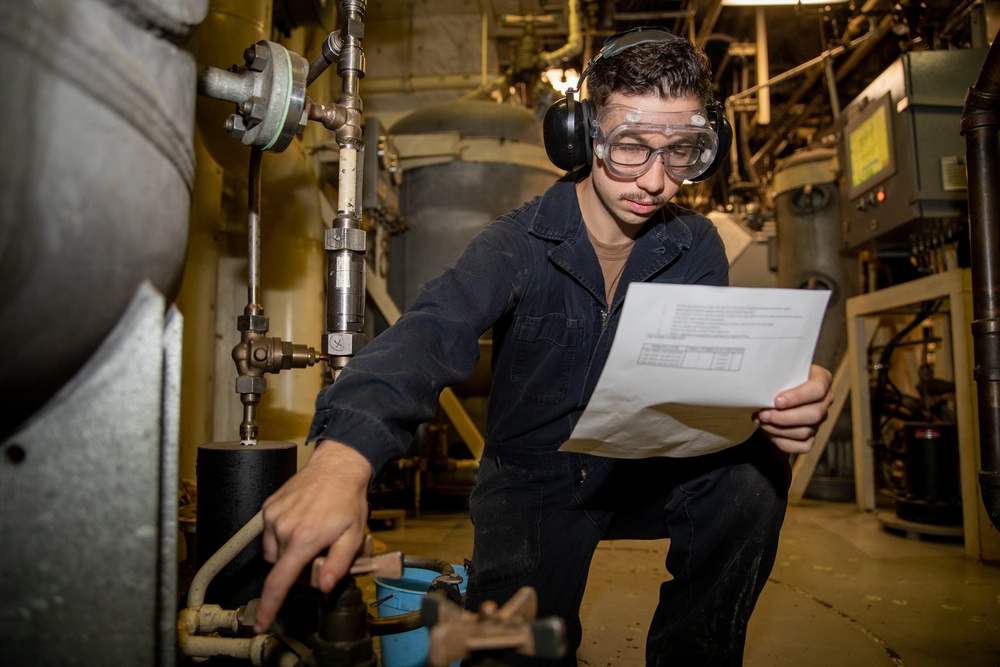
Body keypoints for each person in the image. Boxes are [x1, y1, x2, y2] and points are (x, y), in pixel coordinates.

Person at [254, 27, 834, 666]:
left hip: (646, 469)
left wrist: (774, 395)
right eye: (632, 148)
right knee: (521, 650)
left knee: (751, 477)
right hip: (535, 479)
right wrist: (342, 464)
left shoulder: (694, 244)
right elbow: (426, 335)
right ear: (583, 136)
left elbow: (706, 381)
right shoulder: (516, 243)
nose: (657, 180)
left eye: (682, 154)